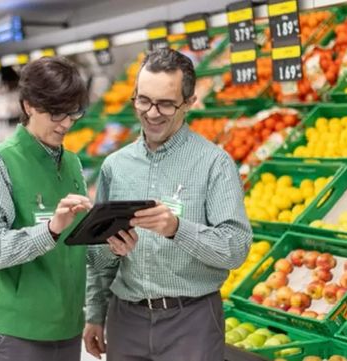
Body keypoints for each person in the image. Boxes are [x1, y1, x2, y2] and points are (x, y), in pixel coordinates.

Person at [84, 48, 253, 361]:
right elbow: (97, 257)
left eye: (165, 104)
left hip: (191, 321)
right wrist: (95, 312)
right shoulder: (115, 166)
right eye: (144, 100)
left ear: (189, 103)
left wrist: (177, 228)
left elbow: (236, 248)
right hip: (126, 320)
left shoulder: (214, 163)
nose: (151, 113)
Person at [0, 57, 95, 361]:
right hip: (14, 336)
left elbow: (76, 247)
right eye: (55, 113)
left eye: (73, 112)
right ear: (28, 106)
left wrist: (110, 238)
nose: (65, 123)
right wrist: (50, 230)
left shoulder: (73, 164)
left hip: (66, 330)